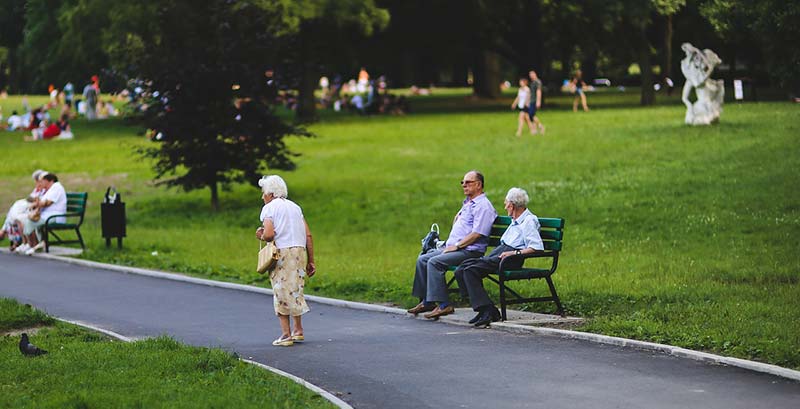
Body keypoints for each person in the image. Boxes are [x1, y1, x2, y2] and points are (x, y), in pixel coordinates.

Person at [408, 170, 497, 319]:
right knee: (423, 258)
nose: (464, 185)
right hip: (456, 247)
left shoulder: (483, 206)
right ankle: (428, 301)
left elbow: (478, 234)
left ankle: (444, 305)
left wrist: (457, 246)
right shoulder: (469, 204)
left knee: (435, 262)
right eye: (462, 182)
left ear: (479, 185)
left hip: (469, 251)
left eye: (468, 182)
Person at [454, 187, 544, 327]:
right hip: (501, 253)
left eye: (506, 203)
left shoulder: (528, 221)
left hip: (511, 258)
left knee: (471, 270)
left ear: (512, 205)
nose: (505, 206)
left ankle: (488, 310)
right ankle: (484, 308)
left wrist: (514, 253)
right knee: (462, 268)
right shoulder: (515, 220)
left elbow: (536, 247)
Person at [255, 175, 316, 347]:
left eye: (263, 193)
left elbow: (268, 234)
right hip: (299, 252)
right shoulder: (295, 207)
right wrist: (311, 260)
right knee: (295, 289)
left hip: (282, 253)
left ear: (271, 193)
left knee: (280, 290)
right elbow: (308, 235)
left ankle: (285, 335)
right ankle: (298, 330)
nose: (262, 197)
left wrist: (260, 235)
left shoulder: (269, 209)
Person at [19, 173, 67, 255]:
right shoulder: (50, 189)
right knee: (24, 219)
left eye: (44, 181)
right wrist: (35, 204)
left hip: (54, 216)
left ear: (51, 181)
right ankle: (36, 244)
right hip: (47, 215)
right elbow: (41, 201)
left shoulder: (57, 188)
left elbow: (47, 203)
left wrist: (36, 204)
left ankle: (34, 245)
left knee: (30, 221)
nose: (42, 183)